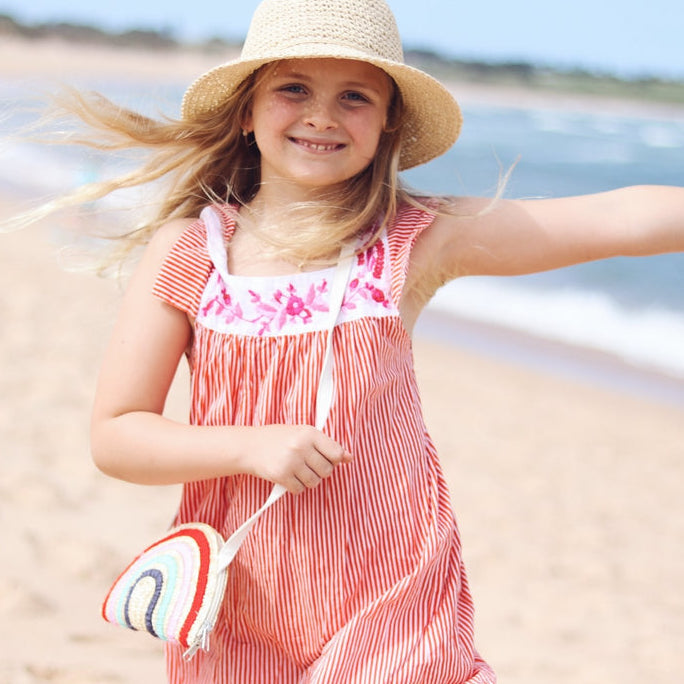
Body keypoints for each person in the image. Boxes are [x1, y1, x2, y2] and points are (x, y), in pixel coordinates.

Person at [28, 0, 681, 681]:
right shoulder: (191, 253)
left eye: (354, 97)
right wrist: (249, 445)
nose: (321, 115)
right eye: (293, 88)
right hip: (240, 591)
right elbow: (117, 433)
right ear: (247, 110)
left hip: (392, 595)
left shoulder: (410, 241)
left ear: (389, 122)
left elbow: (617, 216)